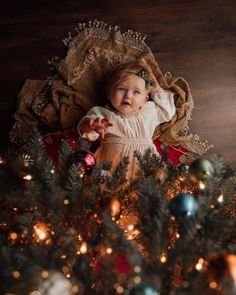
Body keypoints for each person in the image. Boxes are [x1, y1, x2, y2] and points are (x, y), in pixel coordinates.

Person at [78, 61, 176, 179]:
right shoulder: (103, 114)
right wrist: (92, 125)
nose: (128, 95)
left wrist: (156, 89)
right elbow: (84, 130)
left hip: (145, 166)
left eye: (136, 92)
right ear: (108, 92)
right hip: (111, 167)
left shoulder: (149, 112)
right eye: (121, 89)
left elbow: (168, 111)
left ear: (145, 99)